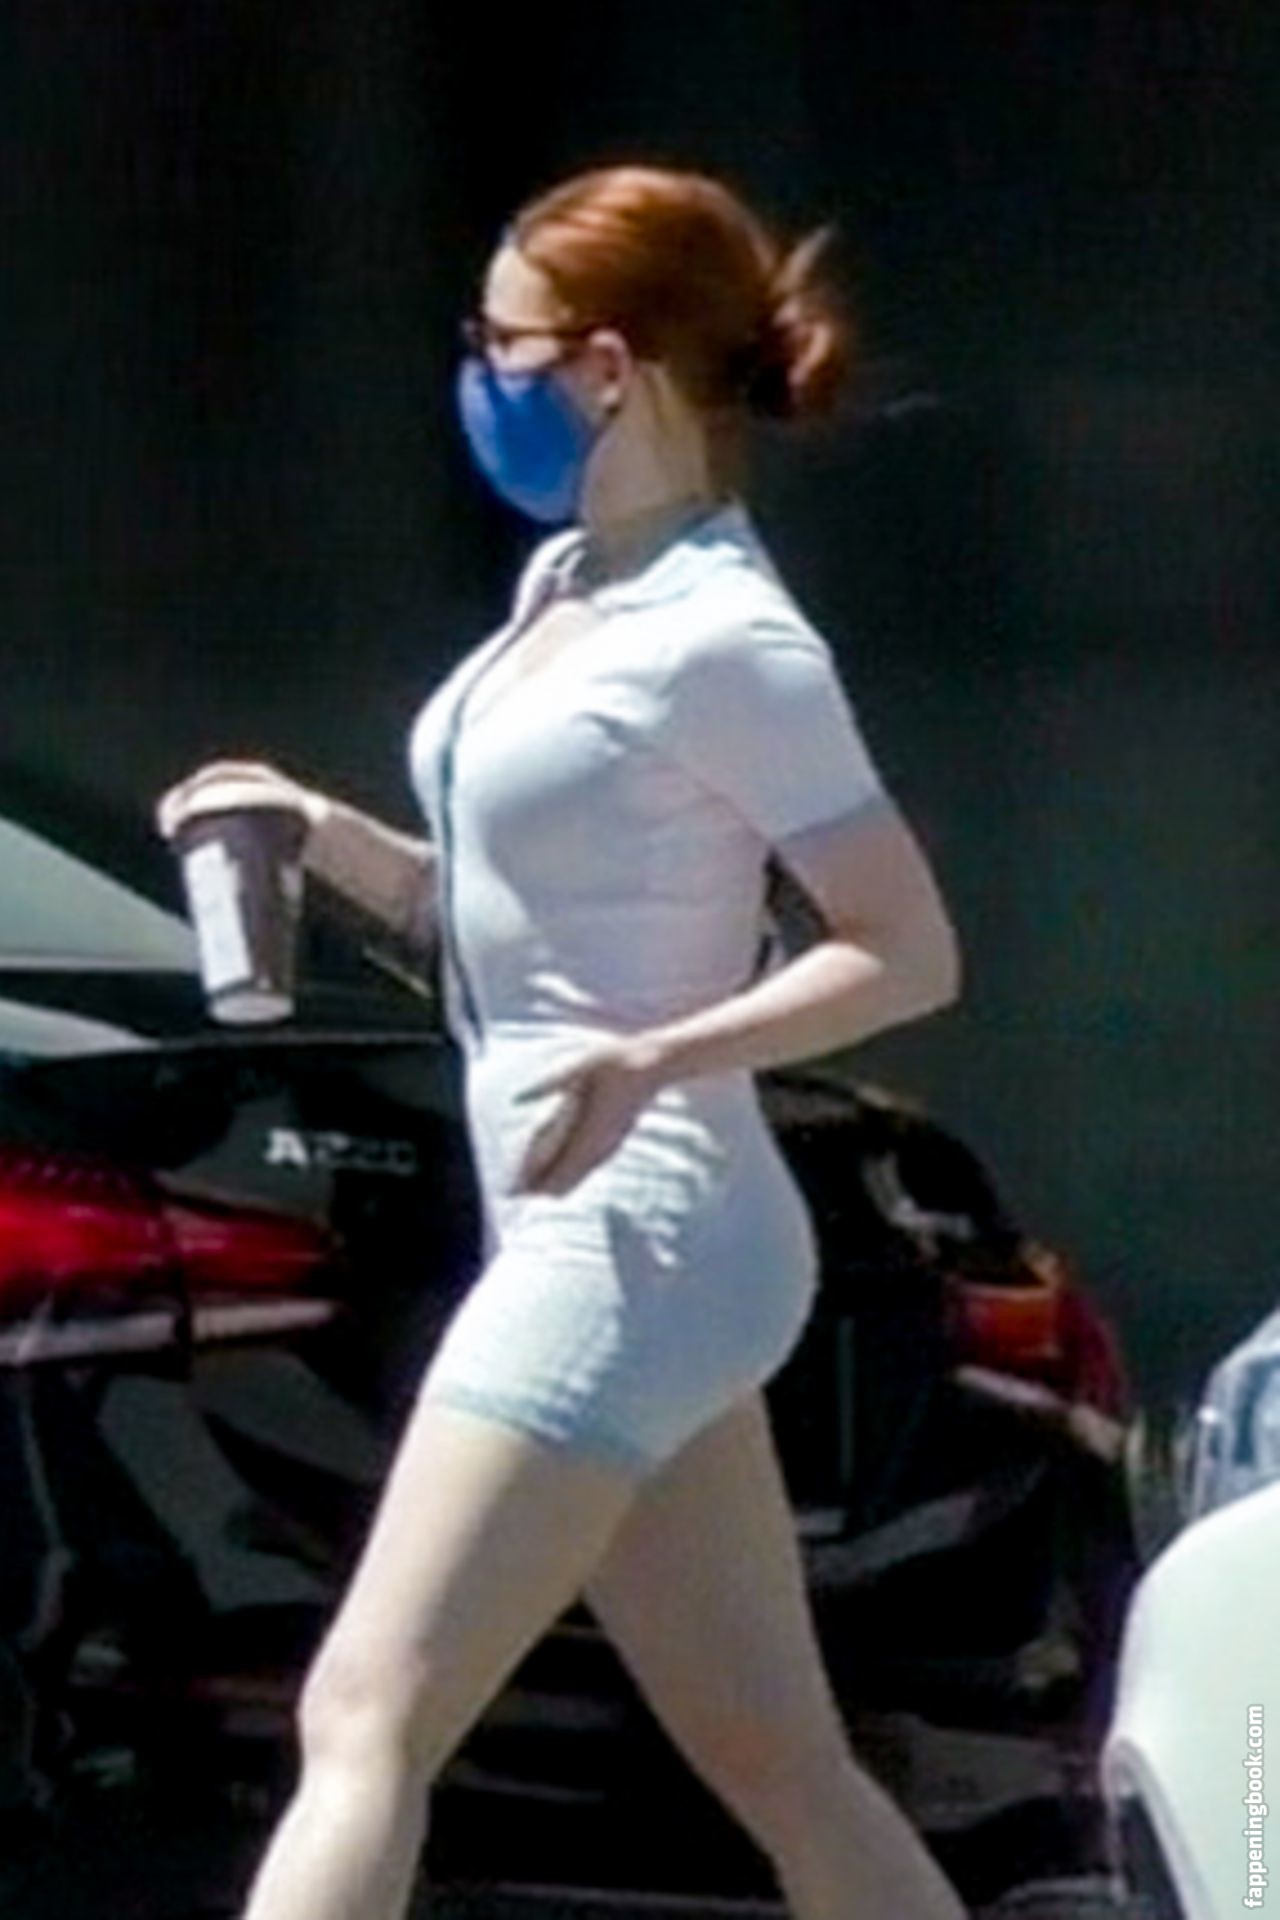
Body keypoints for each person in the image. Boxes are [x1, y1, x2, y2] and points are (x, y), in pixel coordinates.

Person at [157, 163, 966, 1920]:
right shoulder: (566, 588)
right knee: (783, 1764)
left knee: (365, 1714)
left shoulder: (729, 641)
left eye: (498, 345)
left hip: (642, 1226)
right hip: (611, 1228)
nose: (475, 376)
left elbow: (905, 951)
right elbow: (505, 931)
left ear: (608, 369)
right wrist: (310, 829)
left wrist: (657, 1058)